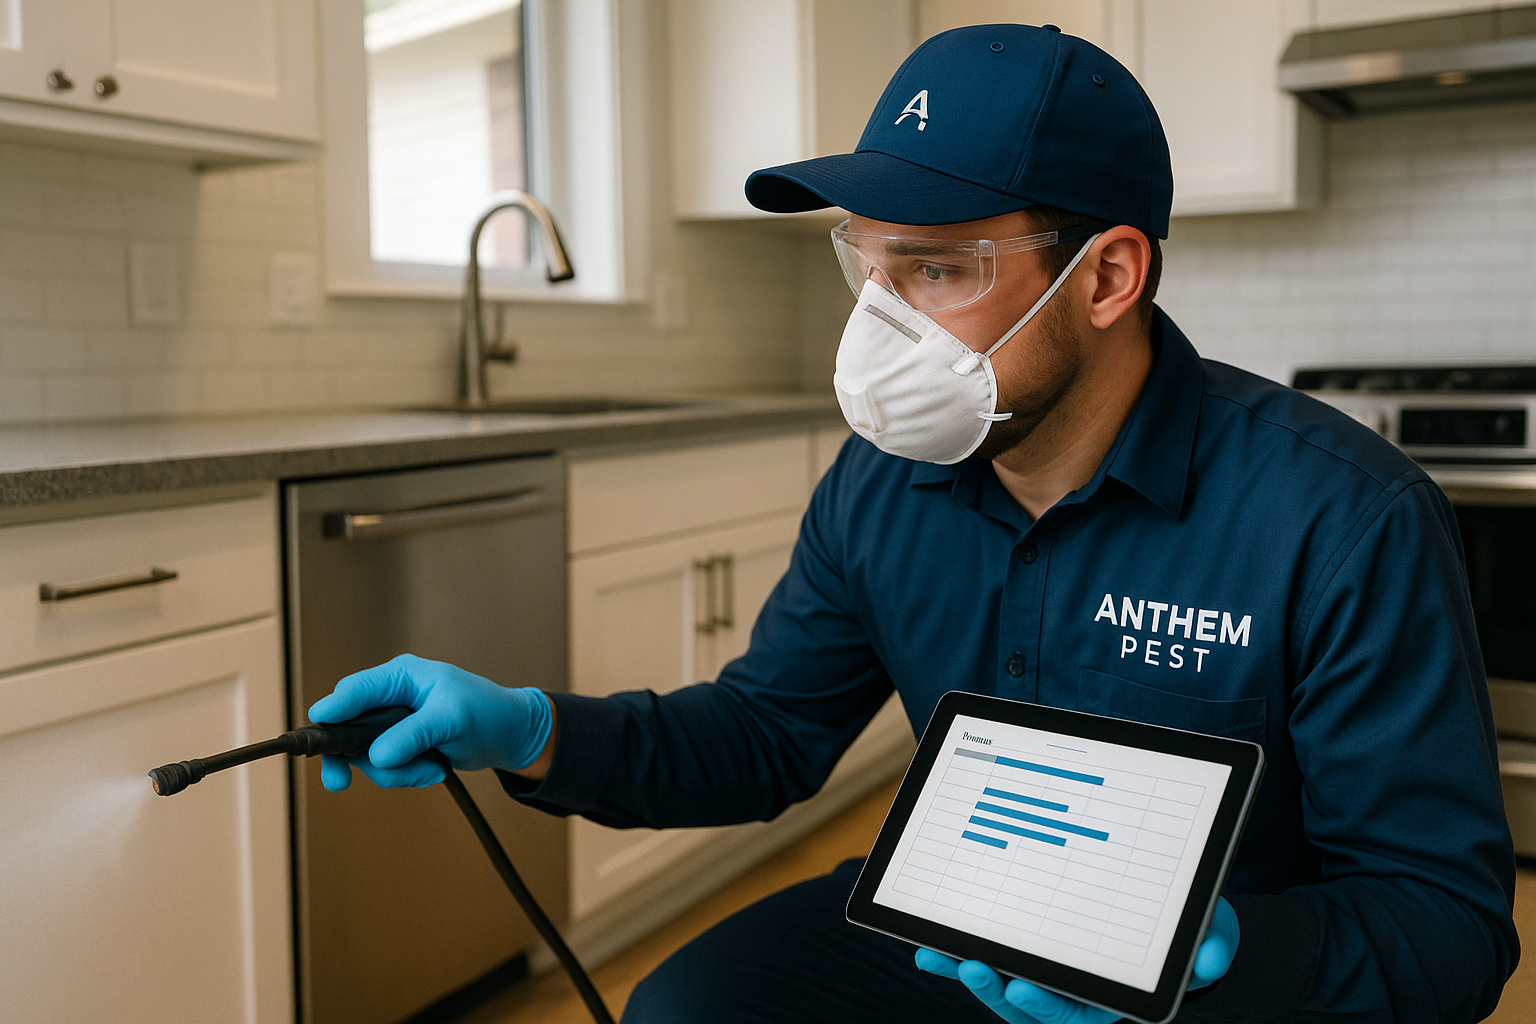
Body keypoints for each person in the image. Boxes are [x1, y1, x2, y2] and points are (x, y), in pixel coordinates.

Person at [309, 23, 1518, 1024]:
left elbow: (1446, 926)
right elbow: (765, 734)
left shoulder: (1342, 516)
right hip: (955, 925)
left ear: (1107, 277)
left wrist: (1221, 956)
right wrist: (529, 730)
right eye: (868, 265)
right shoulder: (879, 483)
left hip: (1222, 983)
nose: (879, 326)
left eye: (936, 269)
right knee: (686, 1008)